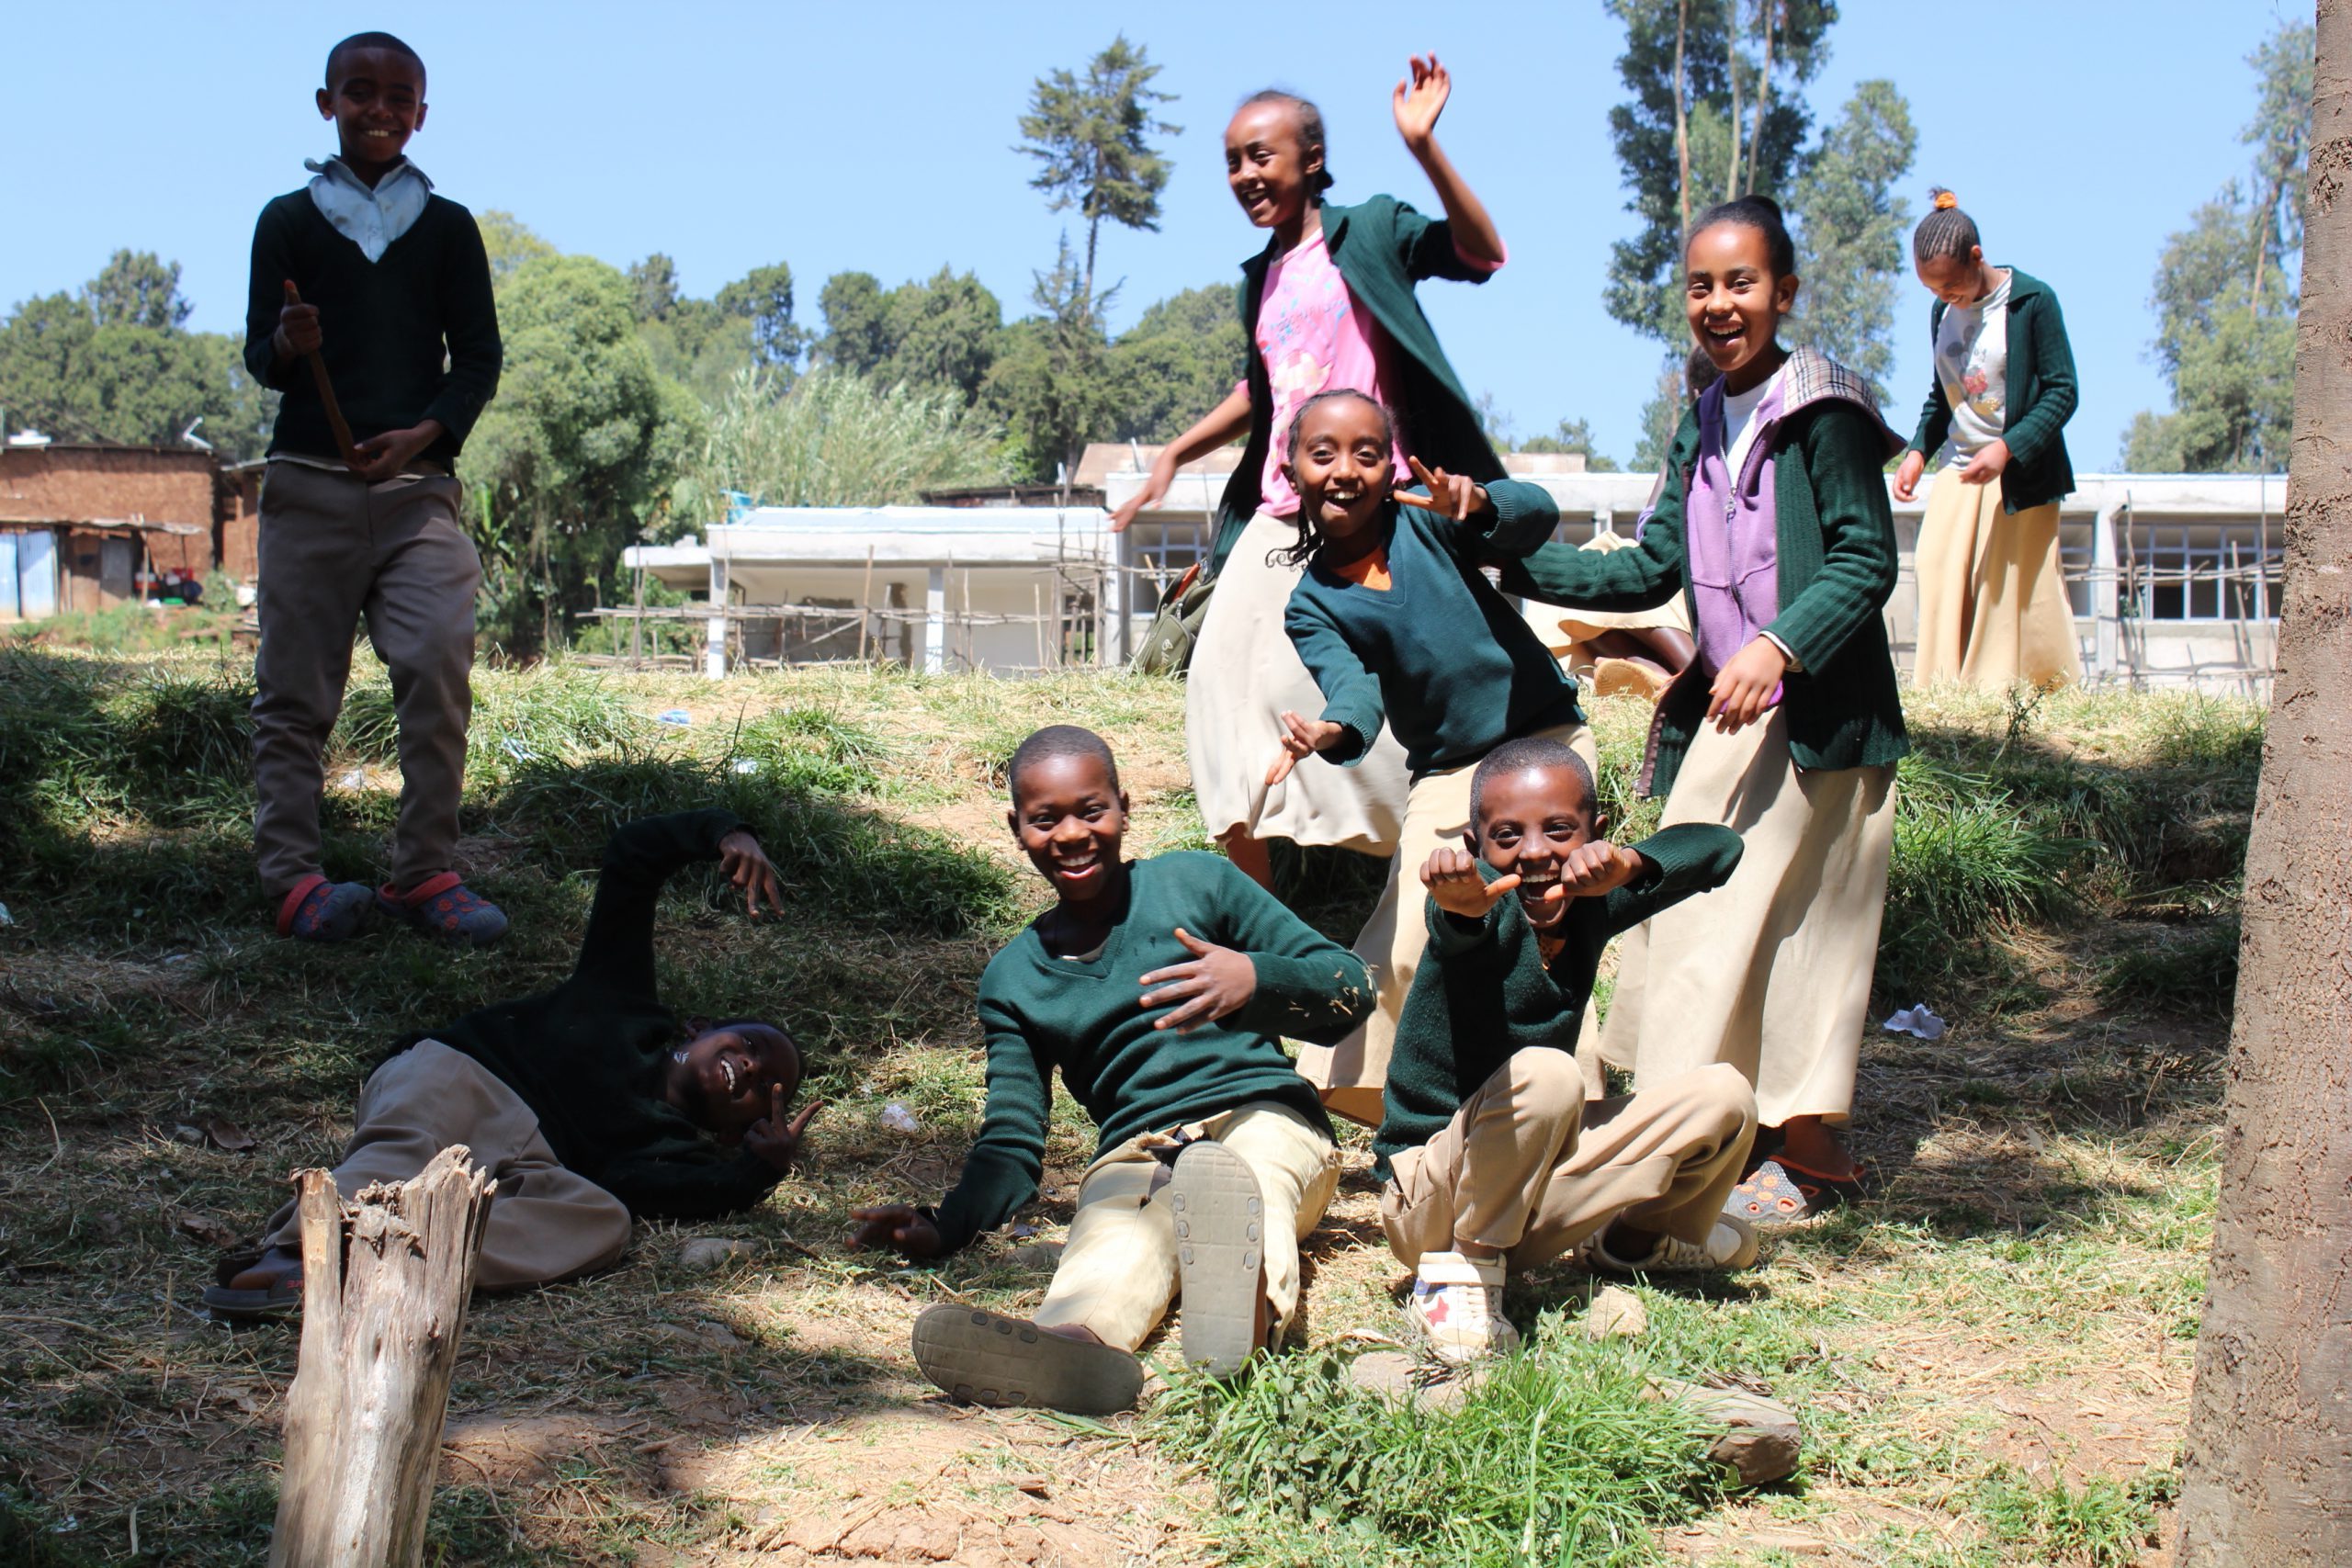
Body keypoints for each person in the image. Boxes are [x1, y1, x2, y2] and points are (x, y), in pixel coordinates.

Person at [1513, 196, 1909, 1223]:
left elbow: (1866, 558)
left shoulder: (1824, 413)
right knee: (1686, 925)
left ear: (1784, 292)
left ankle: (1810, 1155)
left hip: (1821, 725)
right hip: (1729, 722)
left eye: (1741, 283)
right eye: (1701, 286)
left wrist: (1780, 647)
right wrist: (1499, 552)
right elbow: (1653, 565)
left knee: (1802, 937)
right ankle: (1701, 1136)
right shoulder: (1700, 416)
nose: (1720, 304)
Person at [852, 727, 1372, 1415]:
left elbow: (1351, 986)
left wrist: (1253, 978)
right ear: (1017, 828)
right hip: (1142, 1142)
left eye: (1091, 810)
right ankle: (1075, 1345)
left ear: (1124, 807)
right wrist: (945, 1225)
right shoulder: (1013, 977)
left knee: (1255, 1179)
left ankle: (1245, 1319)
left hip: (1264, 1110)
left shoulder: (1200, 881)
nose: (1071, 834)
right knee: (1112, 1230)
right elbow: (1011, 1138)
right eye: (1046, 818)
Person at [1108, 58, 1510, 894]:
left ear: (1312, 158)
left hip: (1374, 507)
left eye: (1262, 155)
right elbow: (1265, 391)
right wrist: (1179, 452)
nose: (1245, 175)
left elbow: (1481, 252)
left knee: (1372, 685)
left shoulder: (1368, 231)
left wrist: (1425, 147)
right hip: (1280, 509)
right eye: (1232, 161)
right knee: (1218, 688)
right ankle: (1259, 905)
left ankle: (1432, 853)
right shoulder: (1261, 276)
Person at [202, 810, 818, 1320]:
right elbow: (632, 856)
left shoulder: (672, 1150)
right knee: (404, 1149)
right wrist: (724, 833)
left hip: (527, 1166)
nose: (753, 1070)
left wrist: (752, 1172)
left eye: (768, 1086)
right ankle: (296, 1254)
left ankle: (384, 1258)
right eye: (751, 1045)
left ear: (736, 1127)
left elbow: (672, 1194)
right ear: (701, 1027)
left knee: (603, 1222)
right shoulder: (622, 998)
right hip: (465, 1078)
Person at [1265, 389, 1597, 1127]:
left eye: (1367, 452)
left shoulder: (1431, 525)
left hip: (1544, 745)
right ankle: (1417, 1100)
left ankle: (1568, 1097)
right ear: (1291, 471)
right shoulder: (1313, 602)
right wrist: (1330, 731)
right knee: (1416, 930)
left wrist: (1476, 502)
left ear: (1391, 468)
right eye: (1323, 454)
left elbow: (1534, 514)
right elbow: (1352, 690)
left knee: (1540, 916)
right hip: (1451, 772)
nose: (1345, 470)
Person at [243, 31, 504, 944]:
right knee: (295, 692)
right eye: (360, 92)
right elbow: (260, 359)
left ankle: (422, 872)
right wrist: (288, 343)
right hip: (307, 488)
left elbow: (476, 360)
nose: (379, 108)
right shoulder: (288, 221)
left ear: (422, 114)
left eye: (399, 97)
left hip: (416, 495)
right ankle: (293, 878)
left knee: (437, 661)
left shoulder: (446, 228)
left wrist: (423, 436)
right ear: (327, 104)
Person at [1375, 738, 1756, 1362]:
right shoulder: (1479, 915)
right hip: (1430, 1199)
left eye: (1558, 830)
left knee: (1726, 1096)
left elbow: (1721, 849)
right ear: (1475, 847)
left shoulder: (1592, 900)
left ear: (1594, 831)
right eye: (1506, 836)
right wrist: (1457, 906)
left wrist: (1629, 865)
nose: (1534, 853)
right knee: (1552, 1074)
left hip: (1527, 1185)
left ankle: (1637, 1242)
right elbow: (1456, 929)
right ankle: (1462, 1277)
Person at [1892, 188, 2082, 691]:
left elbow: (2063, 392)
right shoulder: (1942, 313)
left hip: (2019, 472)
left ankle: (2007, 692)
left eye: (1951, 286)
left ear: (1978, 256)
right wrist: (1916, 452)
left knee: (2003, 588)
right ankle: (1942, 688)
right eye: (1934, 290)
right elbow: (1943, 394)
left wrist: (2007, 448)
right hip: (1960, 463)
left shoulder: (2032, 303)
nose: (1944, 298)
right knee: (1936, 568)